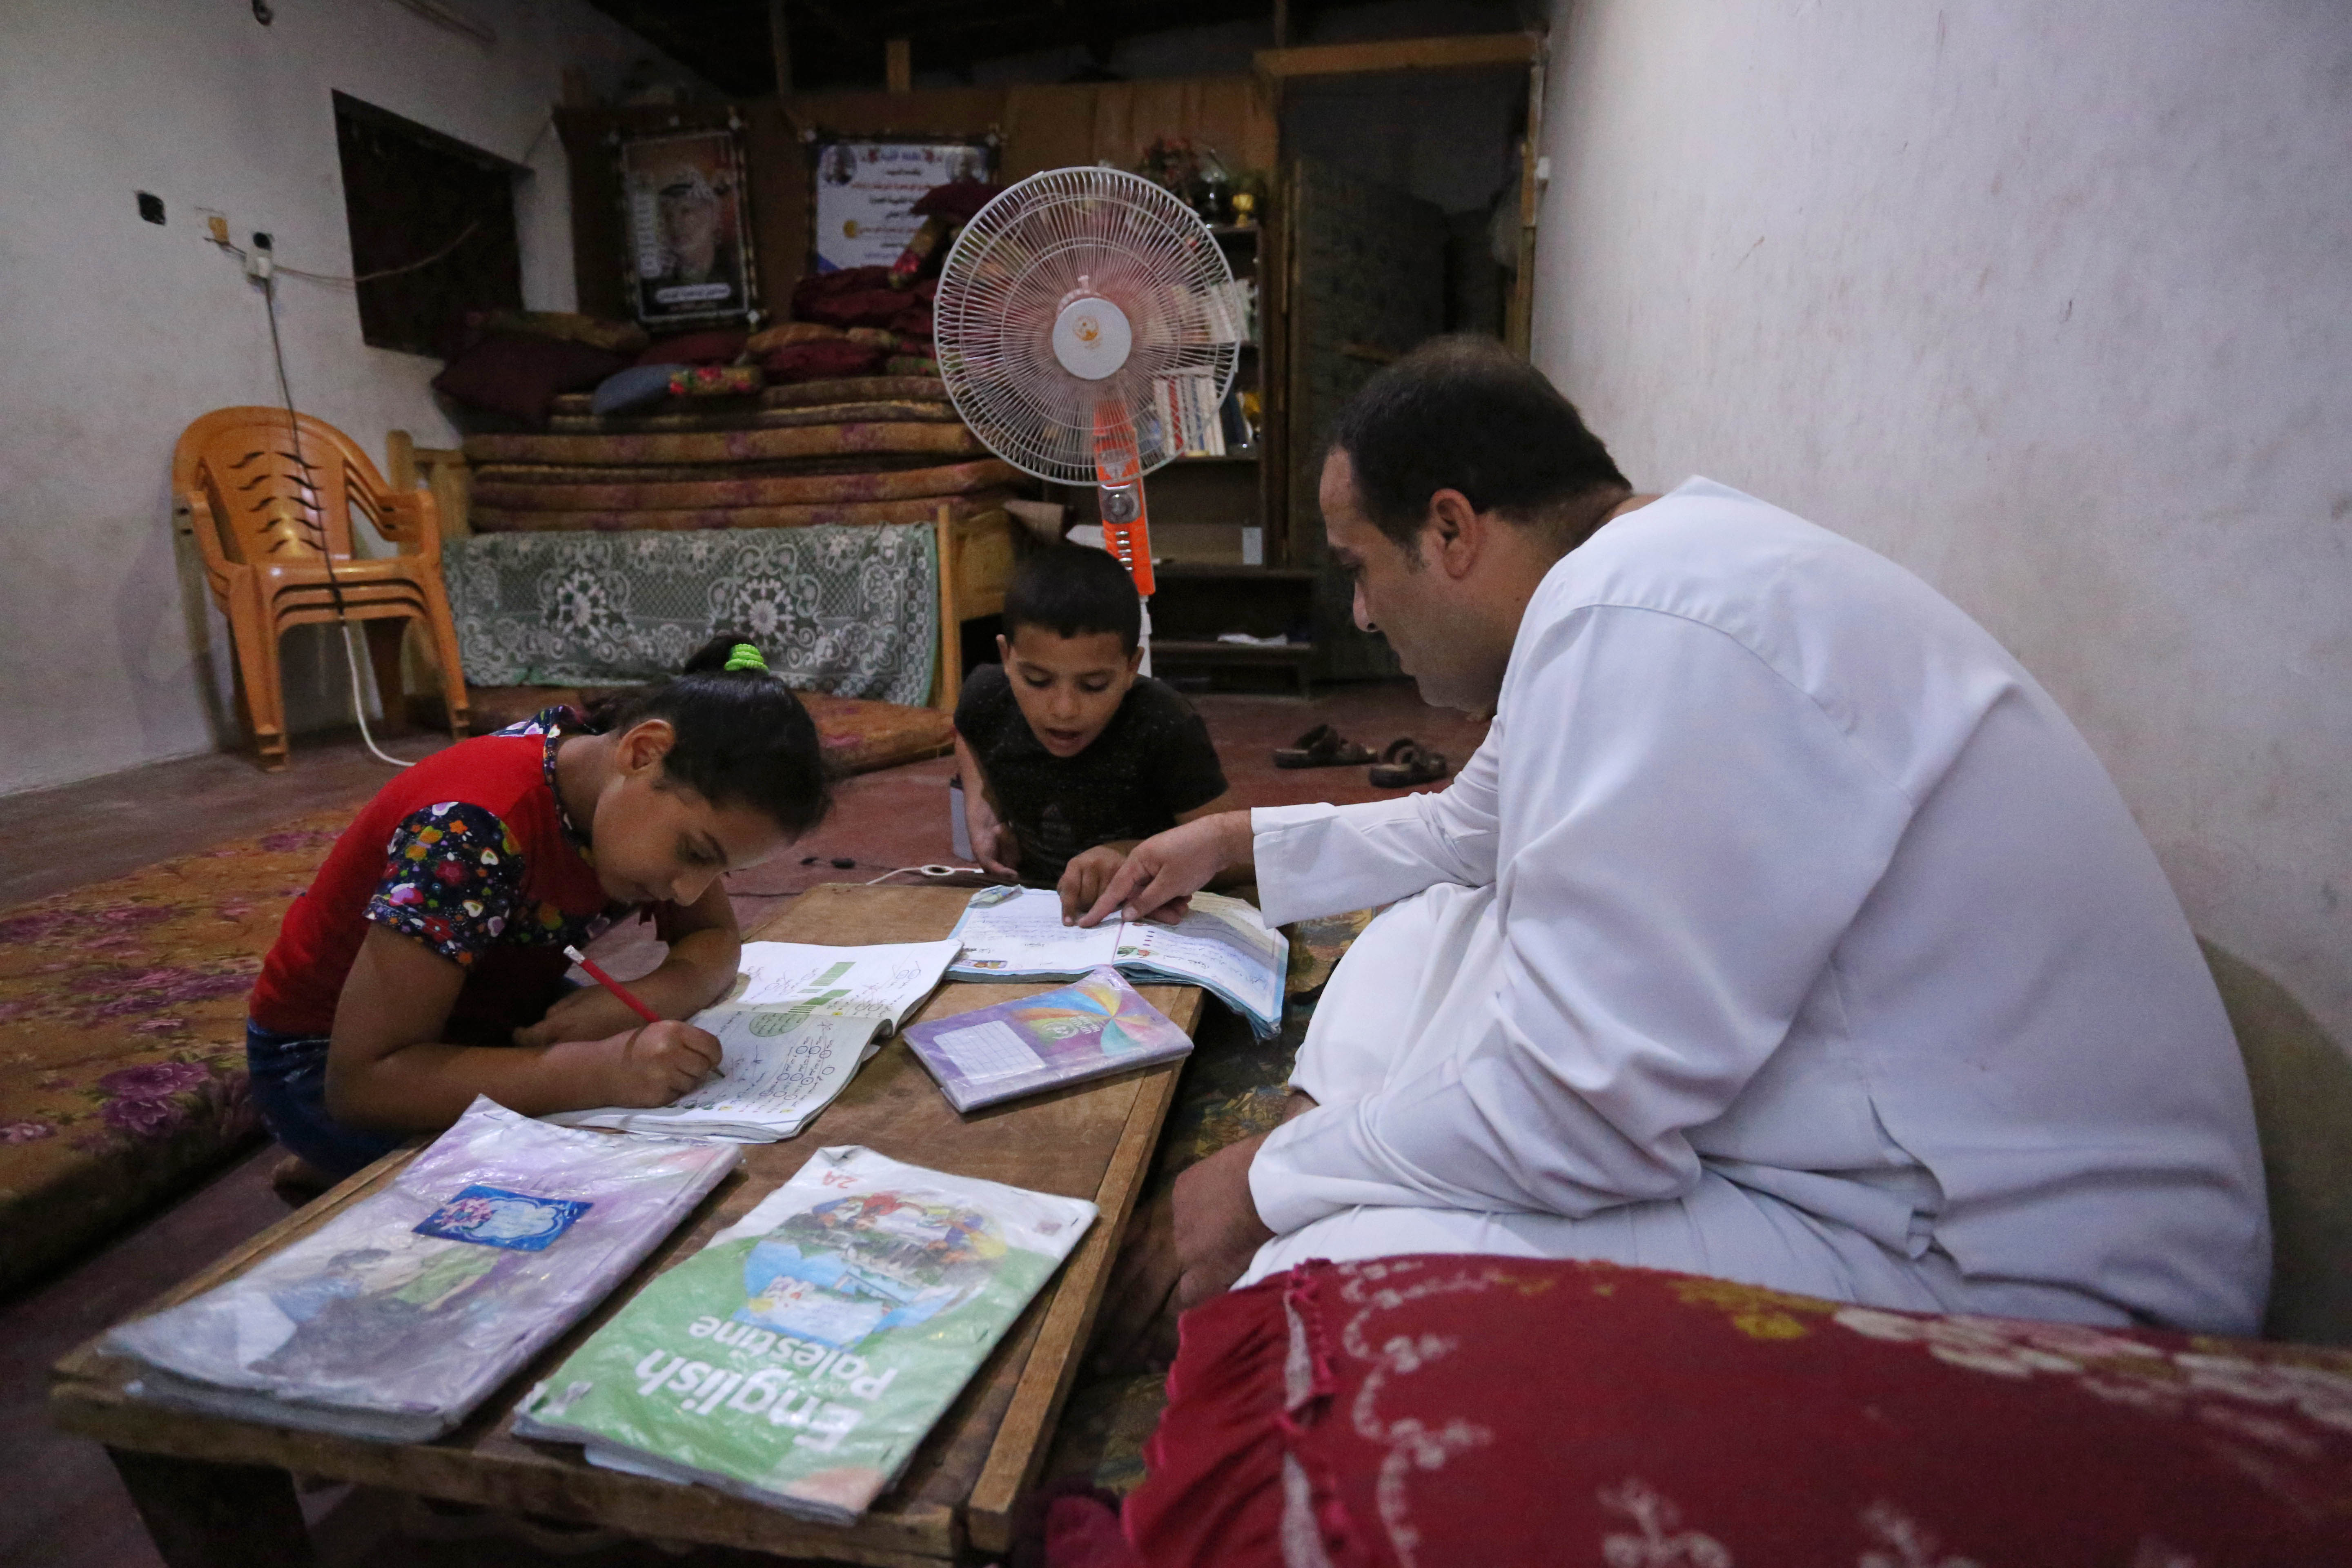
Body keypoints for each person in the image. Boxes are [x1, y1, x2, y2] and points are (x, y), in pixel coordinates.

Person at [1089, 337, 2270, 1354]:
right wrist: (1231, 838)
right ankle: (1350, 1132)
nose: (1359, 614)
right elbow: (1467, 830)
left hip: (2009, 1274)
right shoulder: (1652, 575)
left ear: (1449, 530)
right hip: (1876, 1155)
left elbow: (1580, 1113)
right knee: (1443, 913)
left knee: (1340, 1275)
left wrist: (1260, 1185)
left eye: (1359, 570)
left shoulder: (1644, 616)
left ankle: (1335, 1155)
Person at [246, 634, 830, 1185]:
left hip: (487, 1015)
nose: (687, 890)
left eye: (718, 869)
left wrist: (656, 997)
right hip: (324, 1065)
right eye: (697, 853)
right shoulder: (469, 829)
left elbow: (714, 942)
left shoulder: (621, 792)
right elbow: (363, 1084)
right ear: (644, 751)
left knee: (658, 1107)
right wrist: (597, 1070)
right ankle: (332, 1160)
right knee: (571, 1192)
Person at [953, 546, 1233, 920]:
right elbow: (968, 732)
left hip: (1141, 916)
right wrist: (982, 806)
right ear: (1006, 658)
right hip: (1033, 909)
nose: (1064, 709)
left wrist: (1131, 857)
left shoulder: (1162, 723)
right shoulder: (987, 698)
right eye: (1038, 681)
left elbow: (1232, 857)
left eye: (1095, 685)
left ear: (1132, 666)